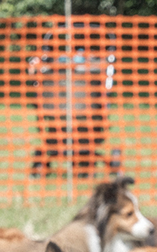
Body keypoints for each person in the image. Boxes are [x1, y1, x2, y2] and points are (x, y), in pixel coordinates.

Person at [28, 21, 117, 178]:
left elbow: (34, 83)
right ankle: (86, 163)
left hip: (56, 121)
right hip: (88, 122)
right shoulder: (97, 68)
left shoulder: (49, 69)